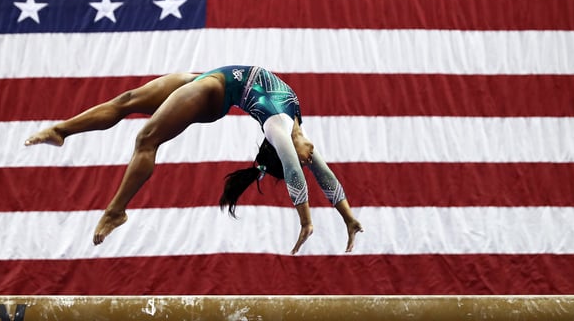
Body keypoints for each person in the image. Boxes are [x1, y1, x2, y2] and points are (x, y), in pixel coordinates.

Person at [24, 65, 363, 254]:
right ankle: (61, 131)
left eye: (306, 159)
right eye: (308, 158)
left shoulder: (278, 130)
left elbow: (295, 171)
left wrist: (305, 221)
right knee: (127, 100)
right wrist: (347, 217)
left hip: (211, 94)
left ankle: (116, 211)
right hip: (206, 77)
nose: (310, 158)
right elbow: (322, 173)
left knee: (145, 139)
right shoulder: (294, 122)